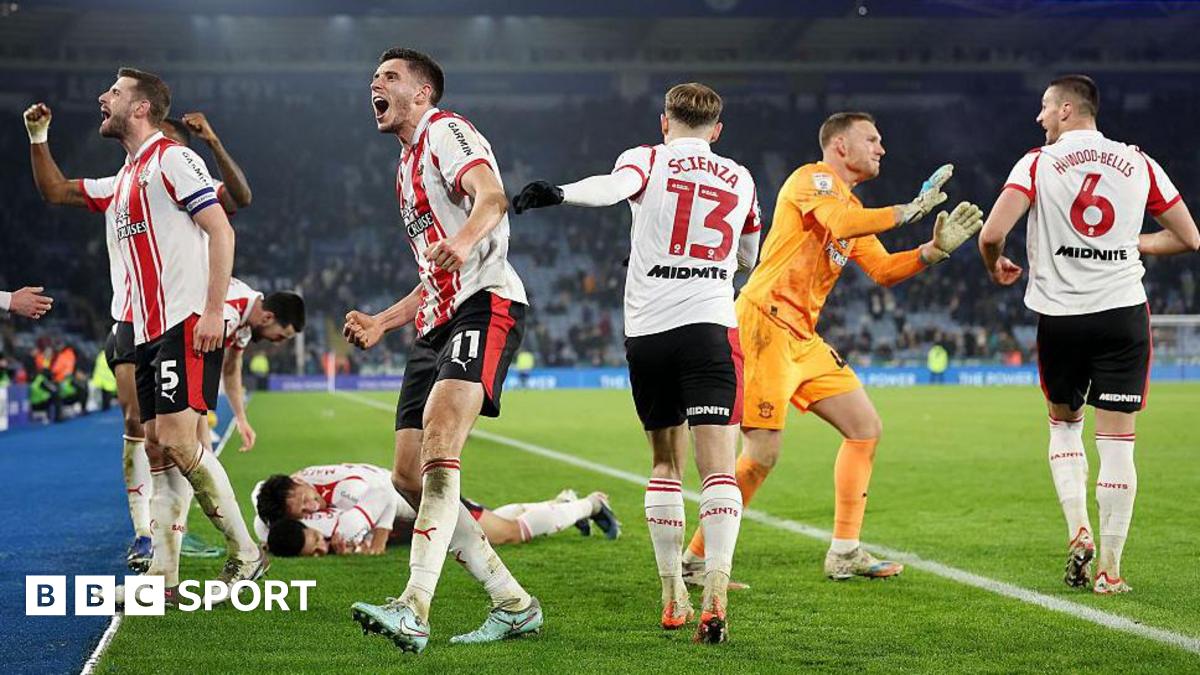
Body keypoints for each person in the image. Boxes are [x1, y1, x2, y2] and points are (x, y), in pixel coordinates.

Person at [668, 111, 982, 586]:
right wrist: (908, 209)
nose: (881, 149)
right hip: (765, 323)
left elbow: (883, 269)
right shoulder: (811, 180)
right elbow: (838, 219)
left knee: (864, 427)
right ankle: (694, 560)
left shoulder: (852, 207)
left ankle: (844, 552)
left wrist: (933, 251)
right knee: (763, 452)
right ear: (840, 145)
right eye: (872, 139)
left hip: (802, 337)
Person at [512, 83, 757, 643]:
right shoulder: (740, 177)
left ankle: (673, 595)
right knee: (718, 468)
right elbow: (748, 255)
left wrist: (559, 192)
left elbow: (612, 188)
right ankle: (715, 590)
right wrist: (714, 272)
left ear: (664, 122)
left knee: (665, 464)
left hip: (647, 333)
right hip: (708, 326)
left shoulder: (645, 158)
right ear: (716, 131)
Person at [24, 67, 265, 599]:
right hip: (146, 331)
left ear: (139, 109)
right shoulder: (128, 175)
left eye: (112, 92)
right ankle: (164, 572)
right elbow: (56, 190)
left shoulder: (173, 159)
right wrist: (39, 138)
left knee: (179, 440)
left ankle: (246, 553)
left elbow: (222, 227)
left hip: (182, 323)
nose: (101, 98)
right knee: (158, 444)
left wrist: (209, 311)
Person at [342, 47, 538, 653]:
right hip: (436, 320)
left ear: (422, 92)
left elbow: (492, 196)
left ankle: (414, 607)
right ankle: (513, 603)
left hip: (486, 302)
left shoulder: (445, 130)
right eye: (374, 77)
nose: (376, 84)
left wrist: (464, 237)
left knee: (439, 438)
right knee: (406, 475)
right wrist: (383, 321)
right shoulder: (404, 167)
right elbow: (433, 275)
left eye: (390, 77)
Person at [978, 75, 1200, 594]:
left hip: (1060, 317)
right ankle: (1111, 570)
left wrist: (995, 265)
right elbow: (1190, 237)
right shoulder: (1140, 162)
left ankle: (1078, 528)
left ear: (1067, 110)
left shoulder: (1036, 162)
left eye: (1045, 108)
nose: (1039, 117)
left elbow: (992, 233)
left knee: (1063, 426)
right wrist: (1131, 243)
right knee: (1118, 442)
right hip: (1121, 312)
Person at [250, 463, 619, 556]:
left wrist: (376, 539)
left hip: (422, 498)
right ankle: (563, 503)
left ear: (298, 486)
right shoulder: (293, 484)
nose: (311, 507)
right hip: (412, 505)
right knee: (493, 522)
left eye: (306, 500)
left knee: (507, 534)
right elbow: (258, 502)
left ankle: (590, 504)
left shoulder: (347, 491)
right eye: (301, 511)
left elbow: (381, 492)